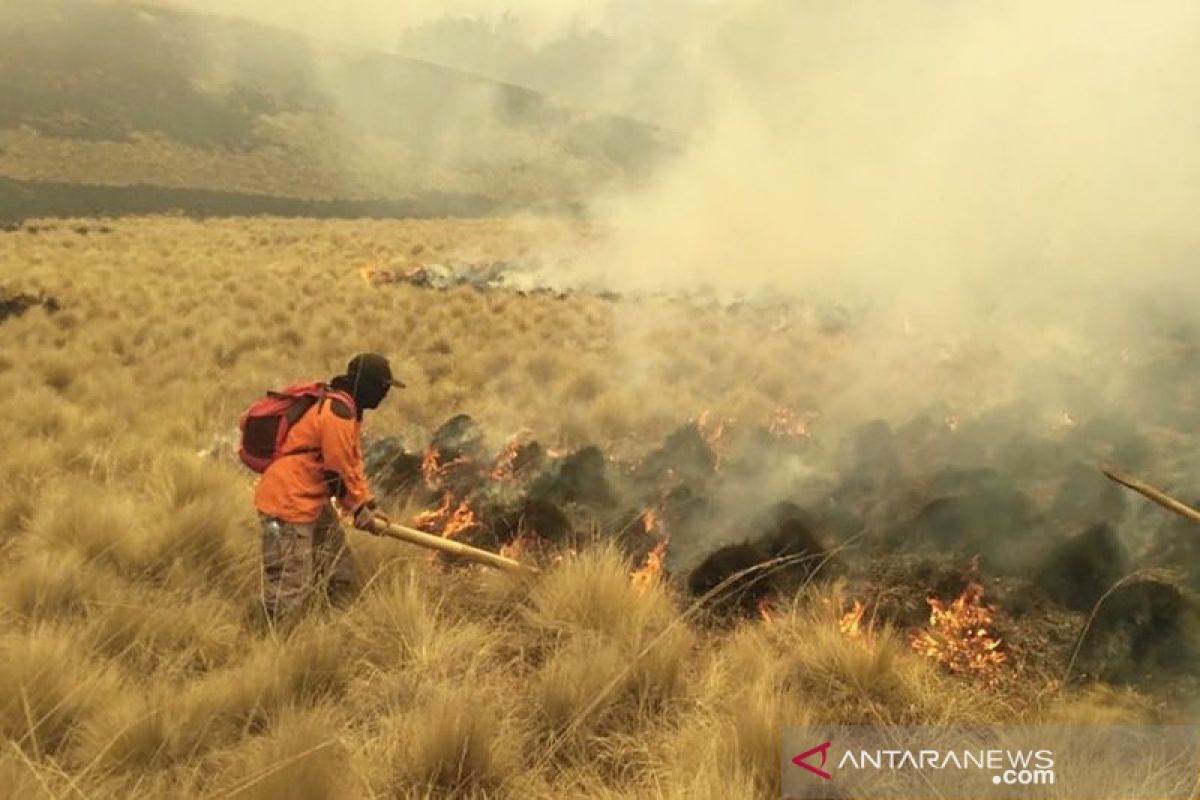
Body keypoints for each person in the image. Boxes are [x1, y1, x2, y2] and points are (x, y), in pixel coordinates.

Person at [253, 353, 404, 624]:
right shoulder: (337, 412)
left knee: (338, 568)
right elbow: (336, 473)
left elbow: (350, 464)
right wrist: (357, 509)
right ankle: (273, 643)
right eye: (382, 387)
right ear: (367, 385)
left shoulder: (348, 409)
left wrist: (367, 504)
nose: (384, 394)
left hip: (310, 498)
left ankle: (338, 627)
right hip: (287, 503)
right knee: (290, 584)